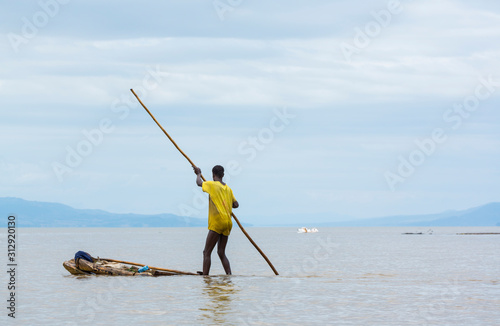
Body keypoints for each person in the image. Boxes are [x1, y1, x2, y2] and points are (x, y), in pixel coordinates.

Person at [193, 165, 239, 275]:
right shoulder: (228, 189)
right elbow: (236, 205)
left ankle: (205, 277)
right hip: (228, 223)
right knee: (221, 252)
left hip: (218, 222)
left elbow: (199, 183)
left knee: (206, 252)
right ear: (223, 175)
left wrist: (198, 173)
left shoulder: (212, 185)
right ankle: (229, 275)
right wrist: (226, 201)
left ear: (213, 175)